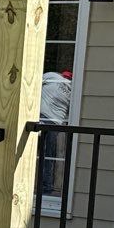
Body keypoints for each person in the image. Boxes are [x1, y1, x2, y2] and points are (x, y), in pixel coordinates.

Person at [38, 67, 76, 199]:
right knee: (48, 155)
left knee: (35, 152)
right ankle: (46, 187)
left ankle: (43, 185)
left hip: (39, 118)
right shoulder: (74, 90)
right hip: (55, 123)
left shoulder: (52, 76)